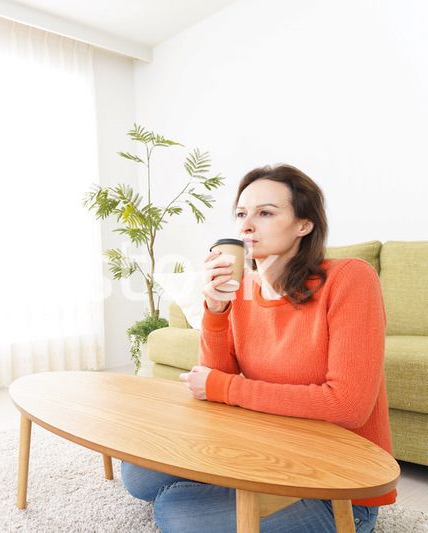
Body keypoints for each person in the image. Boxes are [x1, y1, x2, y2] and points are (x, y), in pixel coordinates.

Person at [120, 164, 395, 532]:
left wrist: (226, 388)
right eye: (241, 214)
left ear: (304, 224)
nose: (246, 226)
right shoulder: (244, 288)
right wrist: (216, 309)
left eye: (265, 213)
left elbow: (348, 406)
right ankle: (236, 488)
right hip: (270, 454)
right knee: (137, 474)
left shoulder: (350, 277)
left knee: (174, 511)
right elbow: (215, 384)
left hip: (337, 487)